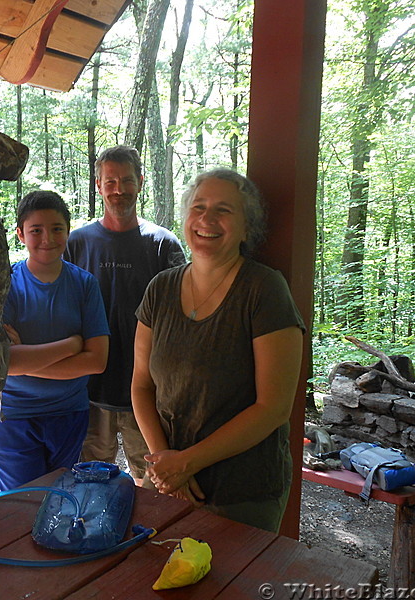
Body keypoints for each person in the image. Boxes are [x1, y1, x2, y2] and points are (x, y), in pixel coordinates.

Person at [131, 168, 305, 533]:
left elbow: (273, 408)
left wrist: (186, 464)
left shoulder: (264, 291)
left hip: (241, 491)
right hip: (165, 480)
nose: (207, 219)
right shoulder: (159, 289)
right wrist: (167, 467)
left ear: (246, 227)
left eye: (224, 210)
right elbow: (141, 386)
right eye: (199, 206)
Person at [65, 145, 186, 485]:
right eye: (111, 181)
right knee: (88, 480)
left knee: (153, 485)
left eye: (127, 180)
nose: (119, 189)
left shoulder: (163, 244)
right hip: (89, 390)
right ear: (98, 185)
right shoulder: (77, 243)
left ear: (141, 182)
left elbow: (184, 317)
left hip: (149, 392)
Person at [0, 190, 110, 491]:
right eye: (36, 230)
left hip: (68, 414)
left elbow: (97, 361)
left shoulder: (84, 284)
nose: (47, 239)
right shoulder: (6, 285)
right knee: (20, 506)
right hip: (11, 415)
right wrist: (70, 346)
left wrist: (24, 358)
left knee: (59, 502)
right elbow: (4, 363)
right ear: (20, 235)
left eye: (57, 229)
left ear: (68, 231)